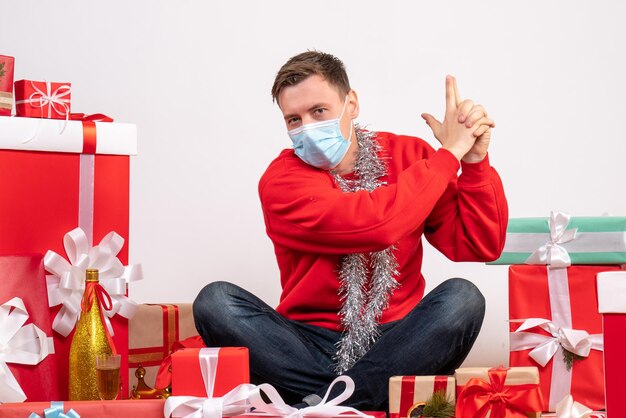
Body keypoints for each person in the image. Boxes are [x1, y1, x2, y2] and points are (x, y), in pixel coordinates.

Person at [193, 51, 508, 411]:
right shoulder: (281, 181)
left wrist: (473, 162)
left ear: (351, 103)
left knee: (462, 299)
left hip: (397, 340)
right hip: (305, 343)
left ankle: (323, 404)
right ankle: (359, 399)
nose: (307, 127)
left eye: (319, 111)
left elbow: (480, 244)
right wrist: (450, 152)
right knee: (215, 302)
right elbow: (378, 225)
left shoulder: (412, 156)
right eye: (294, 119)